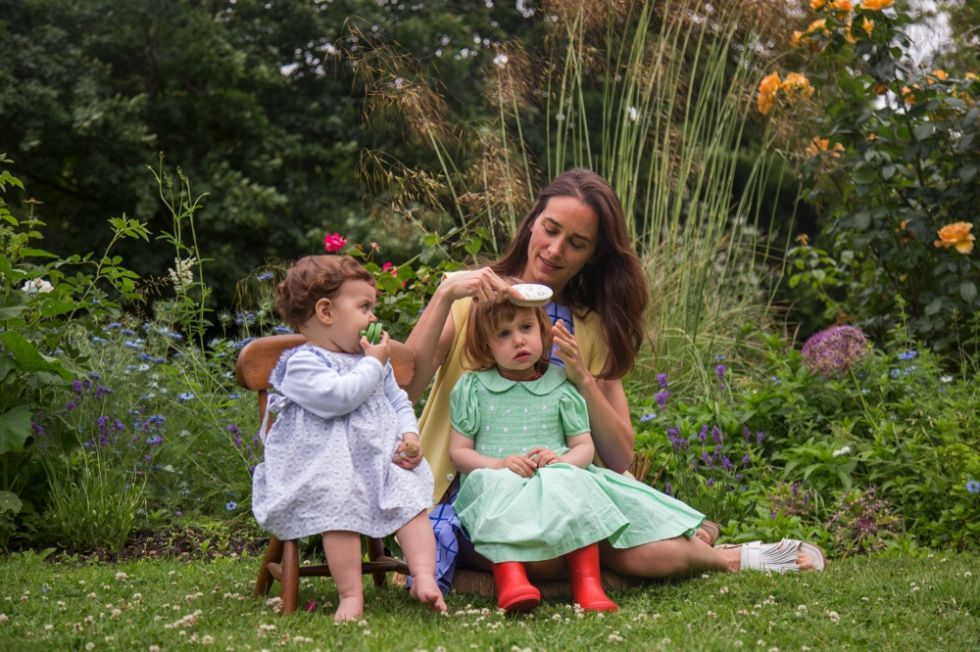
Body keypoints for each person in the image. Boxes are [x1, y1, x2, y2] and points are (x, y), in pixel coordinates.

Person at [405, 168, 824, 589]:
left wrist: (583, 378)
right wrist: (444, 295)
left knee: (626, 546)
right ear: (532, 221)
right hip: (473, 496)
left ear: (593, 255)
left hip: (561, 493)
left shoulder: (589, 328)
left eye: (577, 243)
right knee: (536, 550)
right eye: (550, 230)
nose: (555, 250)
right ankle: (672, 557)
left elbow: (620, 456)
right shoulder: (467, 303)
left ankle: (735, 557)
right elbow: (407, 385)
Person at [450, 295, 712, 612]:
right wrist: (497, 465)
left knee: (574, 486)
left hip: (553, 481)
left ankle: (587, 583)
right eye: (503, 334)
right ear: (486, 346)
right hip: (499, 480)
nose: (518, 339)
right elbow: (459, 452)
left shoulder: (561, 385)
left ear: (543, 331)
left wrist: (563, 463)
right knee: (494, 486)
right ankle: (512, 580)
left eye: (526, 327)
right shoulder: (473, 388)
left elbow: (584, 447)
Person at [251, 255, 447, 621]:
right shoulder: (302, 363)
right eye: (364, 307)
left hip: (377, 460)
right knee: (339, 509)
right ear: (326, 312)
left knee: (411, 502)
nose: (374, 318)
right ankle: (350, 595)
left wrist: (410, 434)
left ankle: (423, 576)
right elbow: (338, 399)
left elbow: (398, 401)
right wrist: (373, 362)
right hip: (322, 467)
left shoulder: (373, 358)